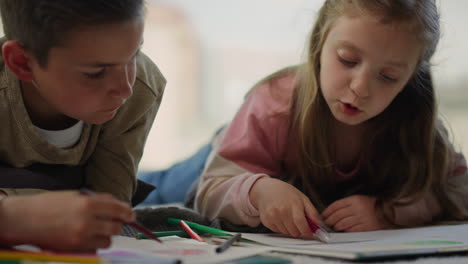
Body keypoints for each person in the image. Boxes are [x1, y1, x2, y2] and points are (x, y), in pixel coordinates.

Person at [192, 0, 468, 239]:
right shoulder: (272, 104)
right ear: (319, 42)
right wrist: (259, 192)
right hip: (230, 148)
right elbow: (210, 188)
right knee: (159, 185)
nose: (360, 88)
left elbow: (460, 189)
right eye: (348, 60)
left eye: (388, 77)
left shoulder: (416, 122)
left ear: (410, 80)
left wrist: (390, 213)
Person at [0, 0, 165, 251]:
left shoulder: (142, 86)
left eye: (134, 56)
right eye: (95, 73)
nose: (125, 89)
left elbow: (107, 218)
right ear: (22, 62)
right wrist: (15, 218)